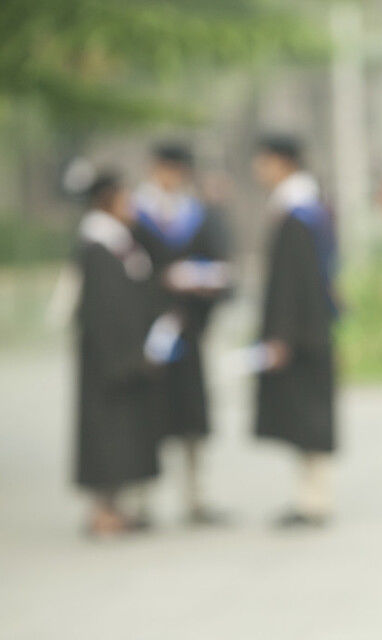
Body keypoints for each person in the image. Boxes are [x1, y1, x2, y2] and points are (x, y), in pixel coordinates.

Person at [133, 141, 233, 526]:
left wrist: (206, 284)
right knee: (148, 415)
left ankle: (196, 497)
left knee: (191, 418)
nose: (171, 177)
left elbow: (219, 262)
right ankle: (141, 500)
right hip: (149, 331)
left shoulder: (198, 214)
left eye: (177, 170)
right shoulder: (136, 214)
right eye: (165, 169)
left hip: (188, 330)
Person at [251, 135, 340, 528]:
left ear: (281, 162)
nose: (259, 169)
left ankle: (313, 501)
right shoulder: (310, 208)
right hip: (312, 330)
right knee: (307, 416)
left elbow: (292, 284)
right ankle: (310, 497)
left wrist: (280, 336)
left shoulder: (296, 215)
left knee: (307, 417)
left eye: (263, 161)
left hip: (301, 336)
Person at [72, 172, 165, 536]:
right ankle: (101, 511)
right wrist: (126, 358)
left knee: (120, 435)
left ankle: (115, 507)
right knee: (104, 436)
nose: (133, 207)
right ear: (108, 201)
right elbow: (103, 312)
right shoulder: (97, 247)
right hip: (108, 363)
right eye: (126, 199)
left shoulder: (118, 241)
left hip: (122, 358)